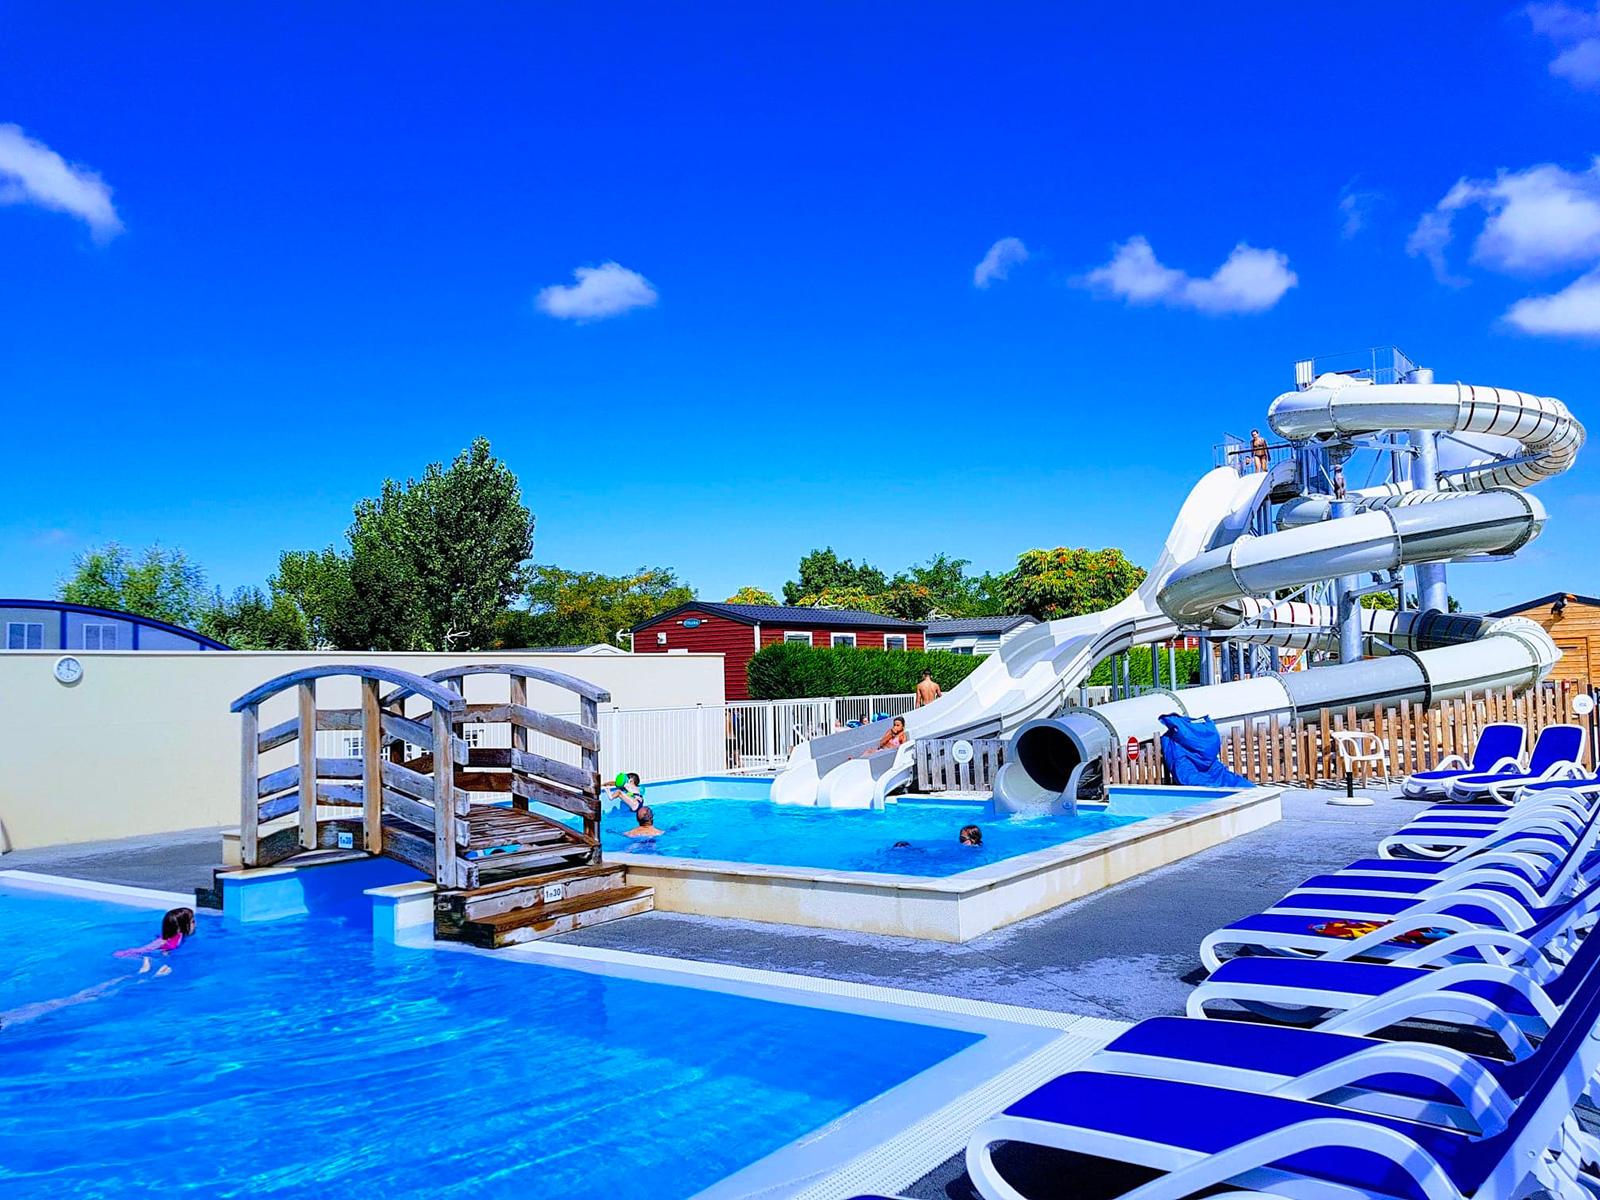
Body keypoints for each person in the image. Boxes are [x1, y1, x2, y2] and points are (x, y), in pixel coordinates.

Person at [113, 907, 196, 960]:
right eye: (192, 921)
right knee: (142, 950)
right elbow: (166, 950)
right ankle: (124, 954)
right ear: (181, 927)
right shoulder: (175, 940)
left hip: (162, 942)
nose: (195, 923)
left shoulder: (175, 935)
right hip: (158, 947)